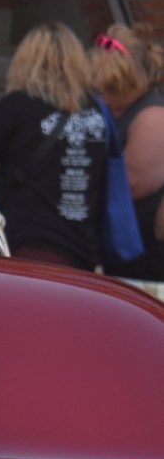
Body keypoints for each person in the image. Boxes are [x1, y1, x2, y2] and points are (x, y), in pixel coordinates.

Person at [0, 22, 106, 269]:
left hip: (29, 244)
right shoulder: (96, 112)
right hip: (82, 250)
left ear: (24, 63)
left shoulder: (16, 105)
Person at [90, 23, 164, 279]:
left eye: (110, 87)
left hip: (140, 251)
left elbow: (130, 185)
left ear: (128, 81)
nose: (102, 95)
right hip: (114, 248)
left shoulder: (153, 116)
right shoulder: (116, 107)